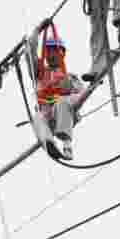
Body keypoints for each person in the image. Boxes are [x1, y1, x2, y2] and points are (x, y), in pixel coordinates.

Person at [28, 29, 84, 160]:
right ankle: (49, 143)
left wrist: (69, 89)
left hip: (65, 114)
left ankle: (67, 145)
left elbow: (81, 95)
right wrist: (38, 30)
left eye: (55, 50)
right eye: (49, 50)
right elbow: (30, 52)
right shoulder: (40, 73)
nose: (52, 54)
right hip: (47, 115)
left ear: (62, 53)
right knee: (37, 118)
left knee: (62, 103)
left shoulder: (70, 77)